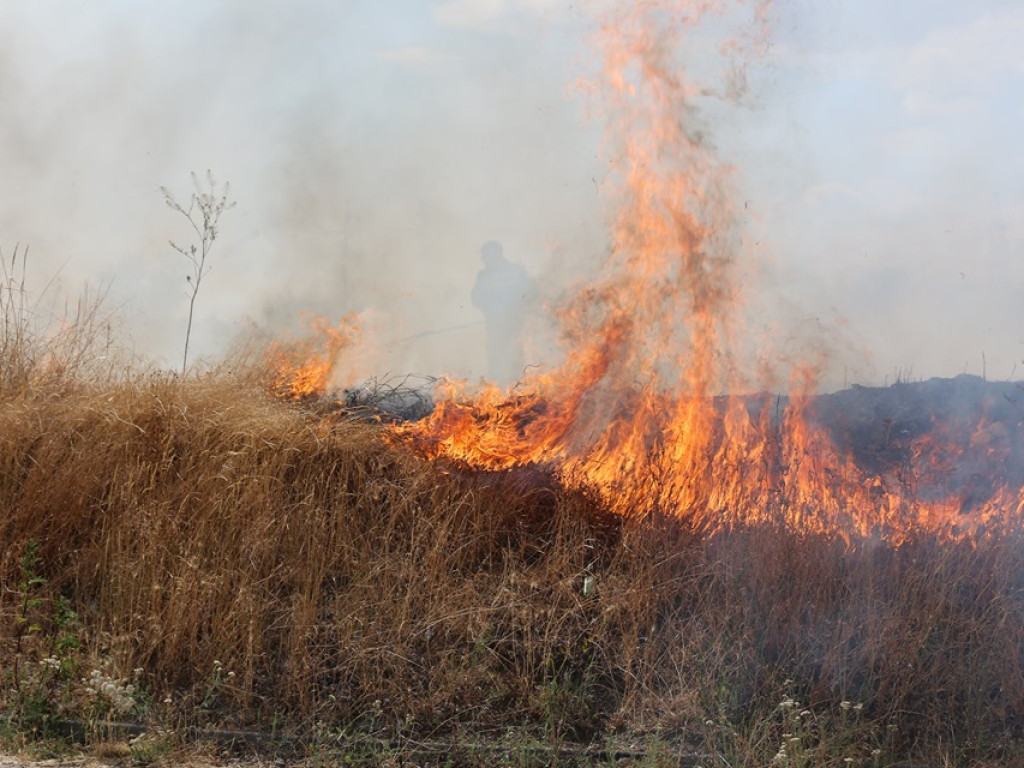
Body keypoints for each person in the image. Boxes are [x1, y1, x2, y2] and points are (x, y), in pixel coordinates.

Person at [471, 241, 537, 386]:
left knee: (515, 356)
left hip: (514, 323)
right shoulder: (483, 275)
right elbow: (475, 298)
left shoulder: (516, 271)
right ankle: (495, 393)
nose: (483, 259)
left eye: (486, 256)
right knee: (496, 359)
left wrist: (518, 305)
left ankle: (517, 390)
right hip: (495, 325)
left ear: (496, 254)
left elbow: (532, 293)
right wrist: (490, 308)